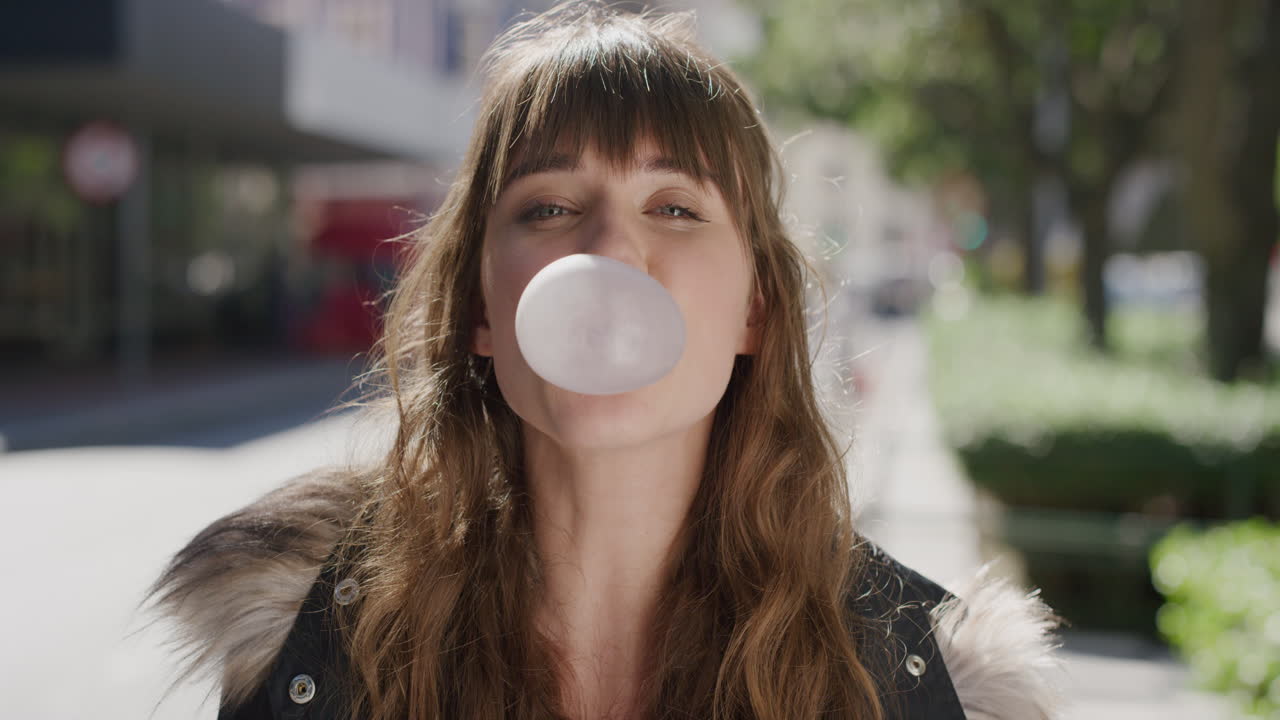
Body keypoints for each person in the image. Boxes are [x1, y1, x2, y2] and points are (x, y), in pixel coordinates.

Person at [150, 3, 1061, 719]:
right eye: (548, 208)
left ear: (754, 310)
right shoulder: (315, 646)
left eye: (675, 208)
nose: (611, 252)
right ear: (480, 308)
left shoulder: (909, 676)